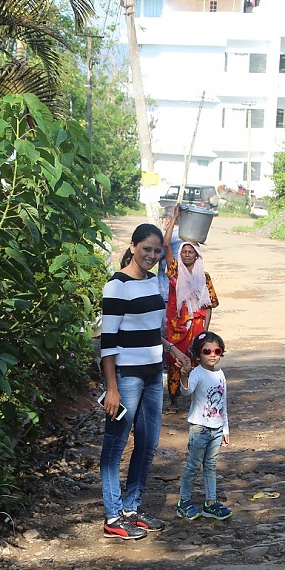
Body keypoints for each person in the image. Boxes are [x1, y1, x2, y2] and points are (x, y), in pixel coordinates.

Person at [99, 223, 190, 540]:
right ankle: (113, 517)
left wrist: (172, 349)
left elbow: (152, 331)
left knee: (148, 444)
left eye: (156, 250)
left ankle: (132, 510)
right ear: (133, 246)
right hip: (126, 378)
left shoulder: (152, 282)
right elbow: (108, 342)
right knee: (115, 446)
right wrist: (112, 388)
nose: (151, 255)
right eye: (146, 249)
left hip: (154, 375)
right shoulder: (117, 286)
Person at [163, 204, 219, 407]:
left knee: (198, 361)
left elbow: (209, 306)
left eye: (190, 252)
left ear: (197, 255)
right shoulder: (175, 272)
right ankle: (174, 399)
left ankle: (199, 398)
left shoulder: (204, 277)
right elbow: (167, 244)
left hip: (196, 326)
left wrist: (205, 330)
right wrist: (175, 219)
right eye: (184, 251)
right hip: (177, 327)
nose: (186, 254)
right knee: (174, 362)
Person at [176, 331, 232, 521]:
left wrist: (225, 429)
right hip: (199, 428)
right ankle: (183, 502)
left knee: (211, 466)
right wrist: (183, 376)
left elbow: (223, 402)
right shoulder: (197, 373)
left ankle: (210, 502)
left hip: (216, 428)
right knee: (193, 466)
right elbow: (187, 391)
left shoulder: (220, 374)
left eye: (217, 350)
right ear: (198, 353)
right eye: (207, 351)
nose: (213, 354)